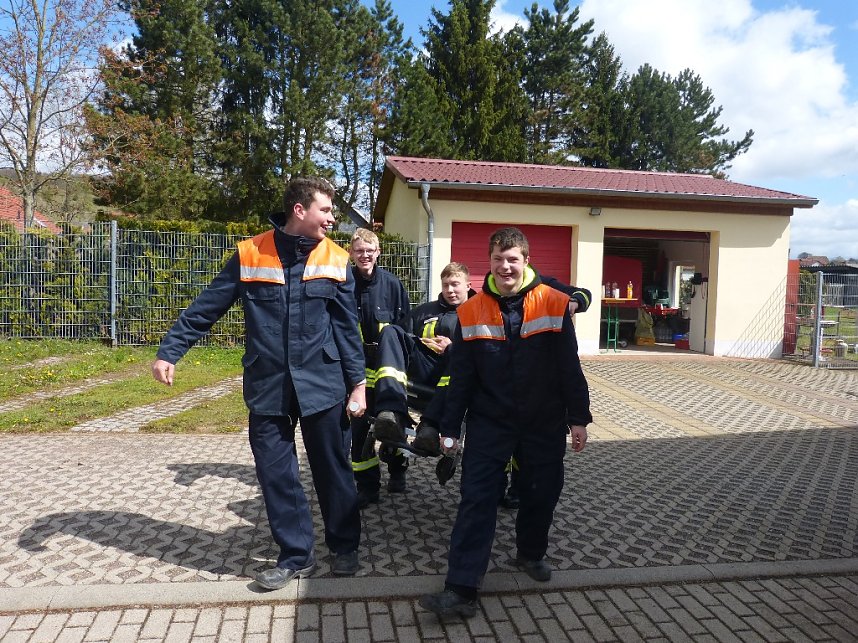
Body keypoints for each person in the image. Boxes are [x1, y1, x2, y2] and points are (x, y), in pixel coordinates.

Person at [151, 177, 366, 590]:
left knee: (332, 469)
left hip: (323, 384)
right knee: (275, 474)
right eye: (326, 210)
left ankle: (344, 545)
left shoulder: (336, 259)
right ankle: (296, 555)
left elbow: (346, 329)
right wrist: (170, 351)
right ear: (299, 210)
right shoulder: (251, 253)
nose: (333, 218)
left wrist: (358, 384)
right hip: (268, 385)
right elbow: (207, 306)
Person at [419, 227, 592, 619]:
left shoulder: (553, 302)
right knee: (477, 498)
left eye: (512, 258)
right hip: (490, 421)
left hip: (543, 420)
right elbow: (461, 376)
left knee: (540, 491)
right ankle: (460, 588)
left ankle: (531, 553)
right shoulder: (471, 310)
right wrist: (449, 428)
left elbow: (569, 366)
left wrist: (578, 418)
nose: (505, 266)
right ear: (489, 263)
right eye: (498, 259)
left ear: (526, 261)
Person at [371, 262, 475, 455]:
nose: (450, 290)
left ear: (468, 286)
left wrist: (451, 348)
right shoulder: (425, 311)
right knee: (391, 331)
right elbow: (402, 337)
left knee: (461, 354)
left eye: (455, 284)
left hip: (454, 378)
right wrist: (419, 342)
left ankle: (430, 426)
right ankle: (391, 413)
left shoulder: (478, 313)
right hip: (423, 369)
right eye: (445, 285)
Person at [348, 228, 411, 508]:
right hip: (357, 369)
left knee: (391, 424)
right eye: (359, 250)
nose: (364, 255)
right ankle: (367, 487)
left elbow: (404, 329)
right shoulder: (344, 283)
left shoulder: (393, 284)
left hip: (387, 371)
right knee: (359, 431)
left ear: (378, 253)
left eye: (369, 251)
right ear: (352, 253)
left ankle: (397, 472)